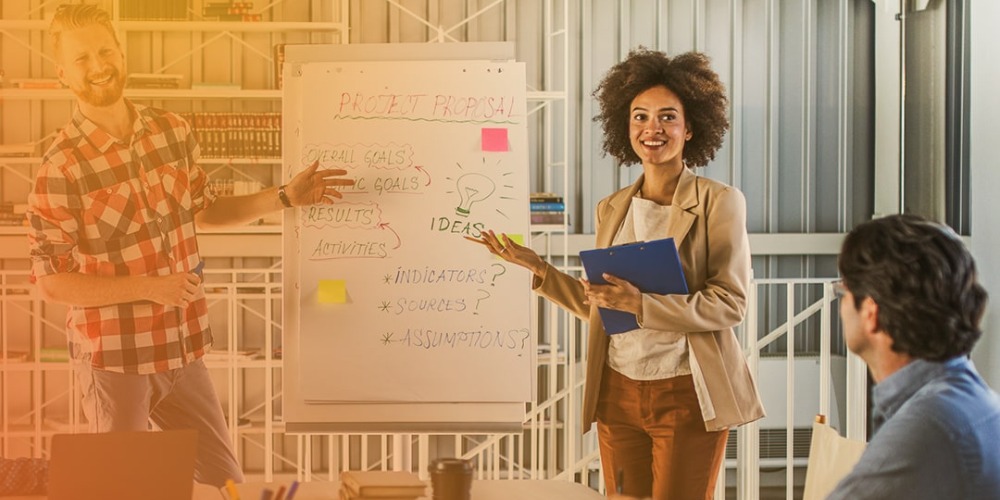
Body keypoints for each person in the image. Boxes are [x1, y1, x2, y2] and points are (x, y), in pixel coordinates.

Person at [25, 4, 353, 487]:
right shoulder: (60, 165)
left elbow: (205, 210)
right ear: (61, 74)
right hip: (116, 359)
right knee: (122, 491)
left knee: (227, 482)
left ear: (121, 53)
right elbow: (51, 284)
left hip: (183, 349)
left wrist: (284, 197)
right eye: (81, 59)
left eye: (104, 50)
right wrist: (150, 288)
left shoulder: (171, 132)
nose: (98, 66)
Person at [469, 48, 764, 499]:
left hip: (686, 392)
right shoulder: (613, 207)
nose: (653, 129)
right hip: (618, 390)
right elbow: (602, 302)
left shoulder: (718, 202)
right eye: (640, 117)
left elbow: (729, 302)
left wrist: (641, 305)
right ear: (625, 128)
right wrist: (540, 269)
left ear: (690, 128)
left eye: (668, 117)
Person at [827, 214, 1000, 500]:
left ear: (871, 313)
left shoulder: (928, 429)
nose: (842, 305)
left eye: (845, 291)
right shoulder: (970, 402)